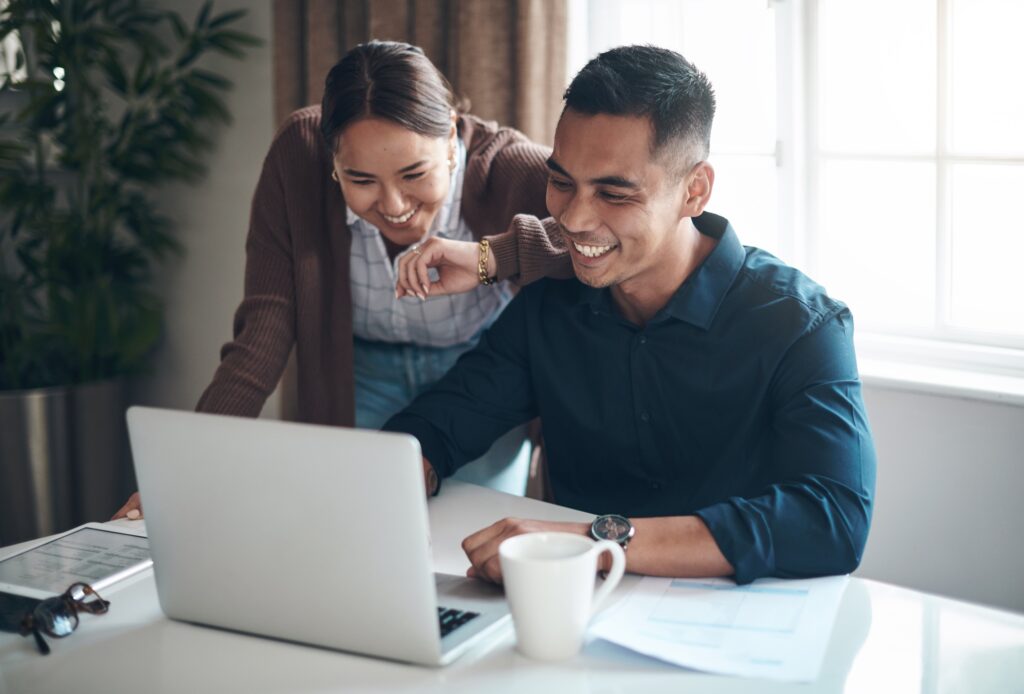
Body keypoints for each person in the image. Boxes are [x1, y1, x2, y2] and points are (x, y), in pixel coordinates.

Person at [384, 45, 877, 585]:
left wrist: (593, 543)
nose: (572, 218)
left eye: (613, 194)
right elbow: (440, 423)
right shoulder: (548, 307)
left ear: (695, 190)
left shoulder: (801, 326)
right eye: (563, 181)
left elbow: (832, 520)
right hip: (572, 616)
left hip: (741, 625)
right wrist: (407, 469)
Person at [112, 40, 571, 520]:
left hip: (477, 382)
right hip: (357, 378)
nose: (393, 205)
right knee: (348, 528)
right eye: (362, 180)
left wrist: (488, 256)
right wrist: (188, 465)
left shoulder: (510, 167)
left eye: (414, 174)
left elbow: (593, 240)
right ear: (331, 161)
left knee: (466, 536)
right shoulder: (298, 153)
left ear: (451, 140)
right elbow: (263, 330)